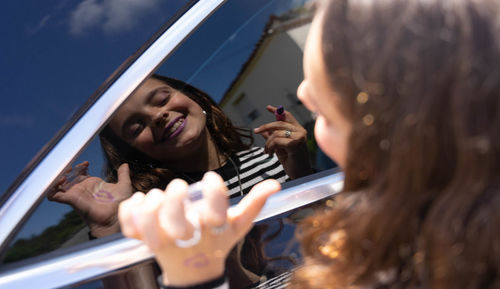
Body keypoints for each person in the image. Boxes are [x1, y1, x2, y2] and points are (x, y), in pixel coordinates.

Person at [118, 0, 500, 288]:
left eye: (332, 98)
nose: (302, 91)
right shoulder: (440, 236)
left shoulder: (404, 256)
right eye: (135, 126)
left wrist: (197, 273)